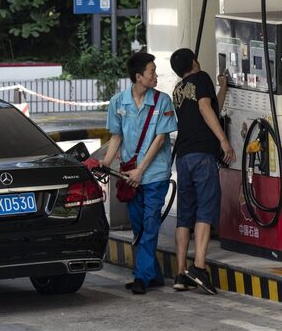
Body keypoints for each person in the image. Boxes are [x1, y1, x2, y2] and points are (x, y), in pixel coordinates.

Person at [99, 52, 177, 295]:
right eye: (152, 72)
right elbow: (116, 136)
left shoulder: (162, 102)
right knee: (139, 226)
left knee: (150, 223)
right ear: (138, 76)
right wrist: (105, 164)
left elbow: (160, 138)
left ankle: (142, 277)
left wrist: (140, 170)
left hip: (154, 174)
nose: (156, 76)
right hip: (128, 177)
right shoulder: (118, 103)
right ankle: (152, 274)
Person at [170, 48, 235, 294]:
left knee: (185, 214)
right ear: (195, 62)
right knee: (205, 211)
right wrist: (223, 141)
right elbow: (207, 109)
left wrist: (224, 87)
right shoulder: (201, 77)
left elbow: (210, 105)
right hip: (202, 156)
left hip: (183, 157)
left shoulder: (178, 90)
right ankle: (198, 267)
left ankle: (180, 273)